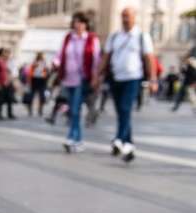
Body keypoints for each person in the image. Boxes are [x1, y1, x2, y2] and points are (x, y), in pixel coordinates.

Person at [94, 7, 157, 163]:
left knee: (125, 108)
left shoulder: (142, 36)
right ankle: (128, 144)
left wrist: (153, 79)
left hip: (133, 78)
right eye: (123, 16)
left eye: (128, 16)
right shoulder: (115, 36)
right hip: (116, 78)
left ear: (134, 17)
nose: (125, 19)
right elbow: (106, 57)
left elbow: (149, 58)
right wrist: (97, 75)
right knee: (121, 112)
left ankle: (118, 139)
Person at [57, 12, 100, 153]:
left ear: (86, 24)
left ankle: (71, 137)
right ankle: (79, 140)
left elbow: (96, 59)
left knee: (75, 109)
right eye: (75, 22)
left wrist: (95, 77)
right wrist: (55, 63)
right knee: (73, 110)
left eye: (81, 22)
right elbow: (60, 54)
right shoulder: (68, 38)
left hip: (83, 79)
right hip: (68, 78)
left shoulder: (92, 39)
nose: (77, 25)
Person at [27, 52, 49, 116]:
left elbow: (46, 72)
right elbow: (30, 72)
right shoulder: (34, 63)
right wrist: (29, 81)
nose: (41, 57)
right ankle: (30, 110)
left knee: (42, 96)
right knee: (31, 96)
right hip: (34, 80)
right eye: (40, 55)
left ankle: (40, 110)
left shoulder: (44, 63)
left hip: (41, 80)